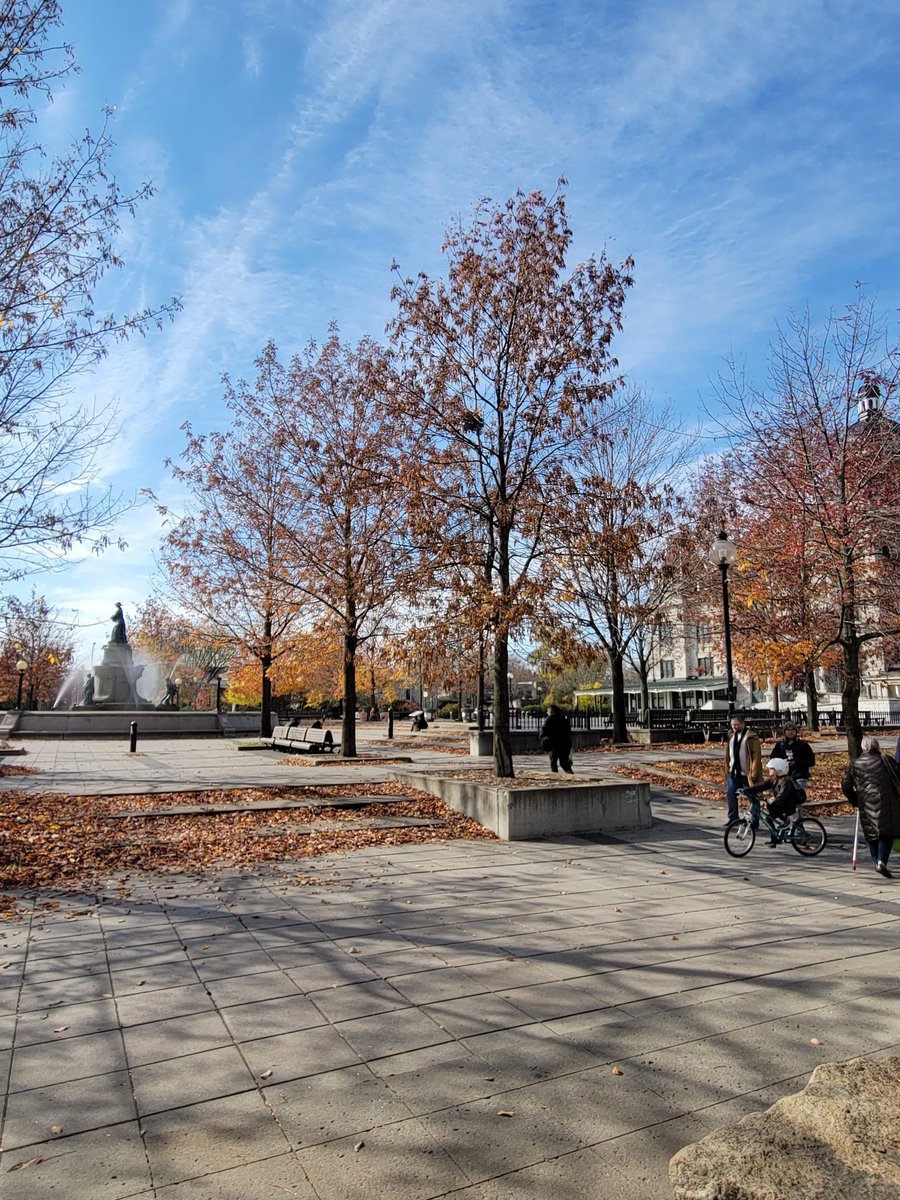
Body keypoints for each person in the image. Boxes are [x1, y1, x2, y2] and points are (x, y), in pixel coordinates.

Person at [841, 735, 900, 878]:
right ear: (876, 746)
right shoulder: (886, 760)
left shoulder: (855, 764)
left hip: (865, 802)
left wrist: (855, 800)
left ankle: (876, 862)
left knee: (872, 833)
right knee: (887, 833)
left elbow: (846, 785)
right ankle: (881, 861)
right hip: (887, 801)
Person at [740, 757, 805, 846]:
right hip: (782, 804)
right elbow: (761, 786)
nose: (769, 771)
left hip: (789, 805)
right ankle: (775, 839)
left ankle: (787, 821)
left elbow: (781, 797)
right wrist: (747, 790)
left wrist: (769, 801)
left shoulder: (786, 782)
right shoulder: (774, 780)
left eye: (772, 769)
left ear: (779, 770)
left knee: (772, 808)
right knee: (768, 818)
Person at [724, 714, 763, 824]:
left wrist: (754, 771)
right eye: (732, 725)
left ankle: (754, 820)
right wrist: (727, 767)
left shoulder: (751, 737)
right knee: (731, 795)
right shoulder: (731, 737)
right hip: (733, 772)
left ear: (743, 723)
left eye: (736, 724)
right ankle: (733, 818)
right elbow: (728, 754)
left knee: (752, 797)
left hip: (747, 773)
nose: (734, 727)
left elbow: (756, 755)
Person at [769, 722, 816, 792]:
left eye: (792, 730)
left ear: (796, 731)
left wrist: (796, 763)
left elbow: (811, 761)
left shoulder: (803, 745)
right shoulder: (780, 745)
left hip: (799, 776)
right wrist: (782, 763)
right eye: (788, 730)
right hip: (783, 776)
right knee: (783, 796)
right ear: (784, 732)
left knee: (797, 796)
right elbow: (773, 759)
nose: (790, 732)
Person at [540, 704, 573, 774]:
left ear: (551, 711)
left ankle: (555, 776)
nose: (547, 713)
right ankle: (571, 775)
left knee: (553, 763)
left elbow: (544, 729)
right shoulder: (564, 719)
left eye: (547, 711)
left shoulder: (549, 719)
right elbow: (568, 731)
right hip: (565, 744)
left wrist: (542, 737)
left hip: (554, 744)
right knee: (564, 763)